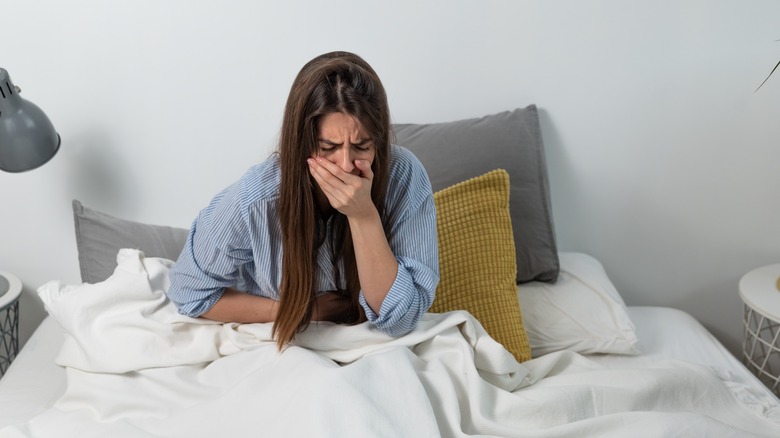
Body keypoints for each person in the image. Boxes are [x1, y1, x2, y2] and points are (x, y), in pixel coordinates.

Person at [166, 51, 439, 349]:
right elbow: (189, 291)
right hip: (283, 340)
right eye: (328, 147)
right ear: (303, 145)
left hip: (372, 344)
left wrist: (363, 216)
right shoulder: (258, 197)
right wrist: (306, 310)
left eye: (362, 146)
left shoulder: (403, 175)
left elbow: (401, 319)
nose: (346, 165)